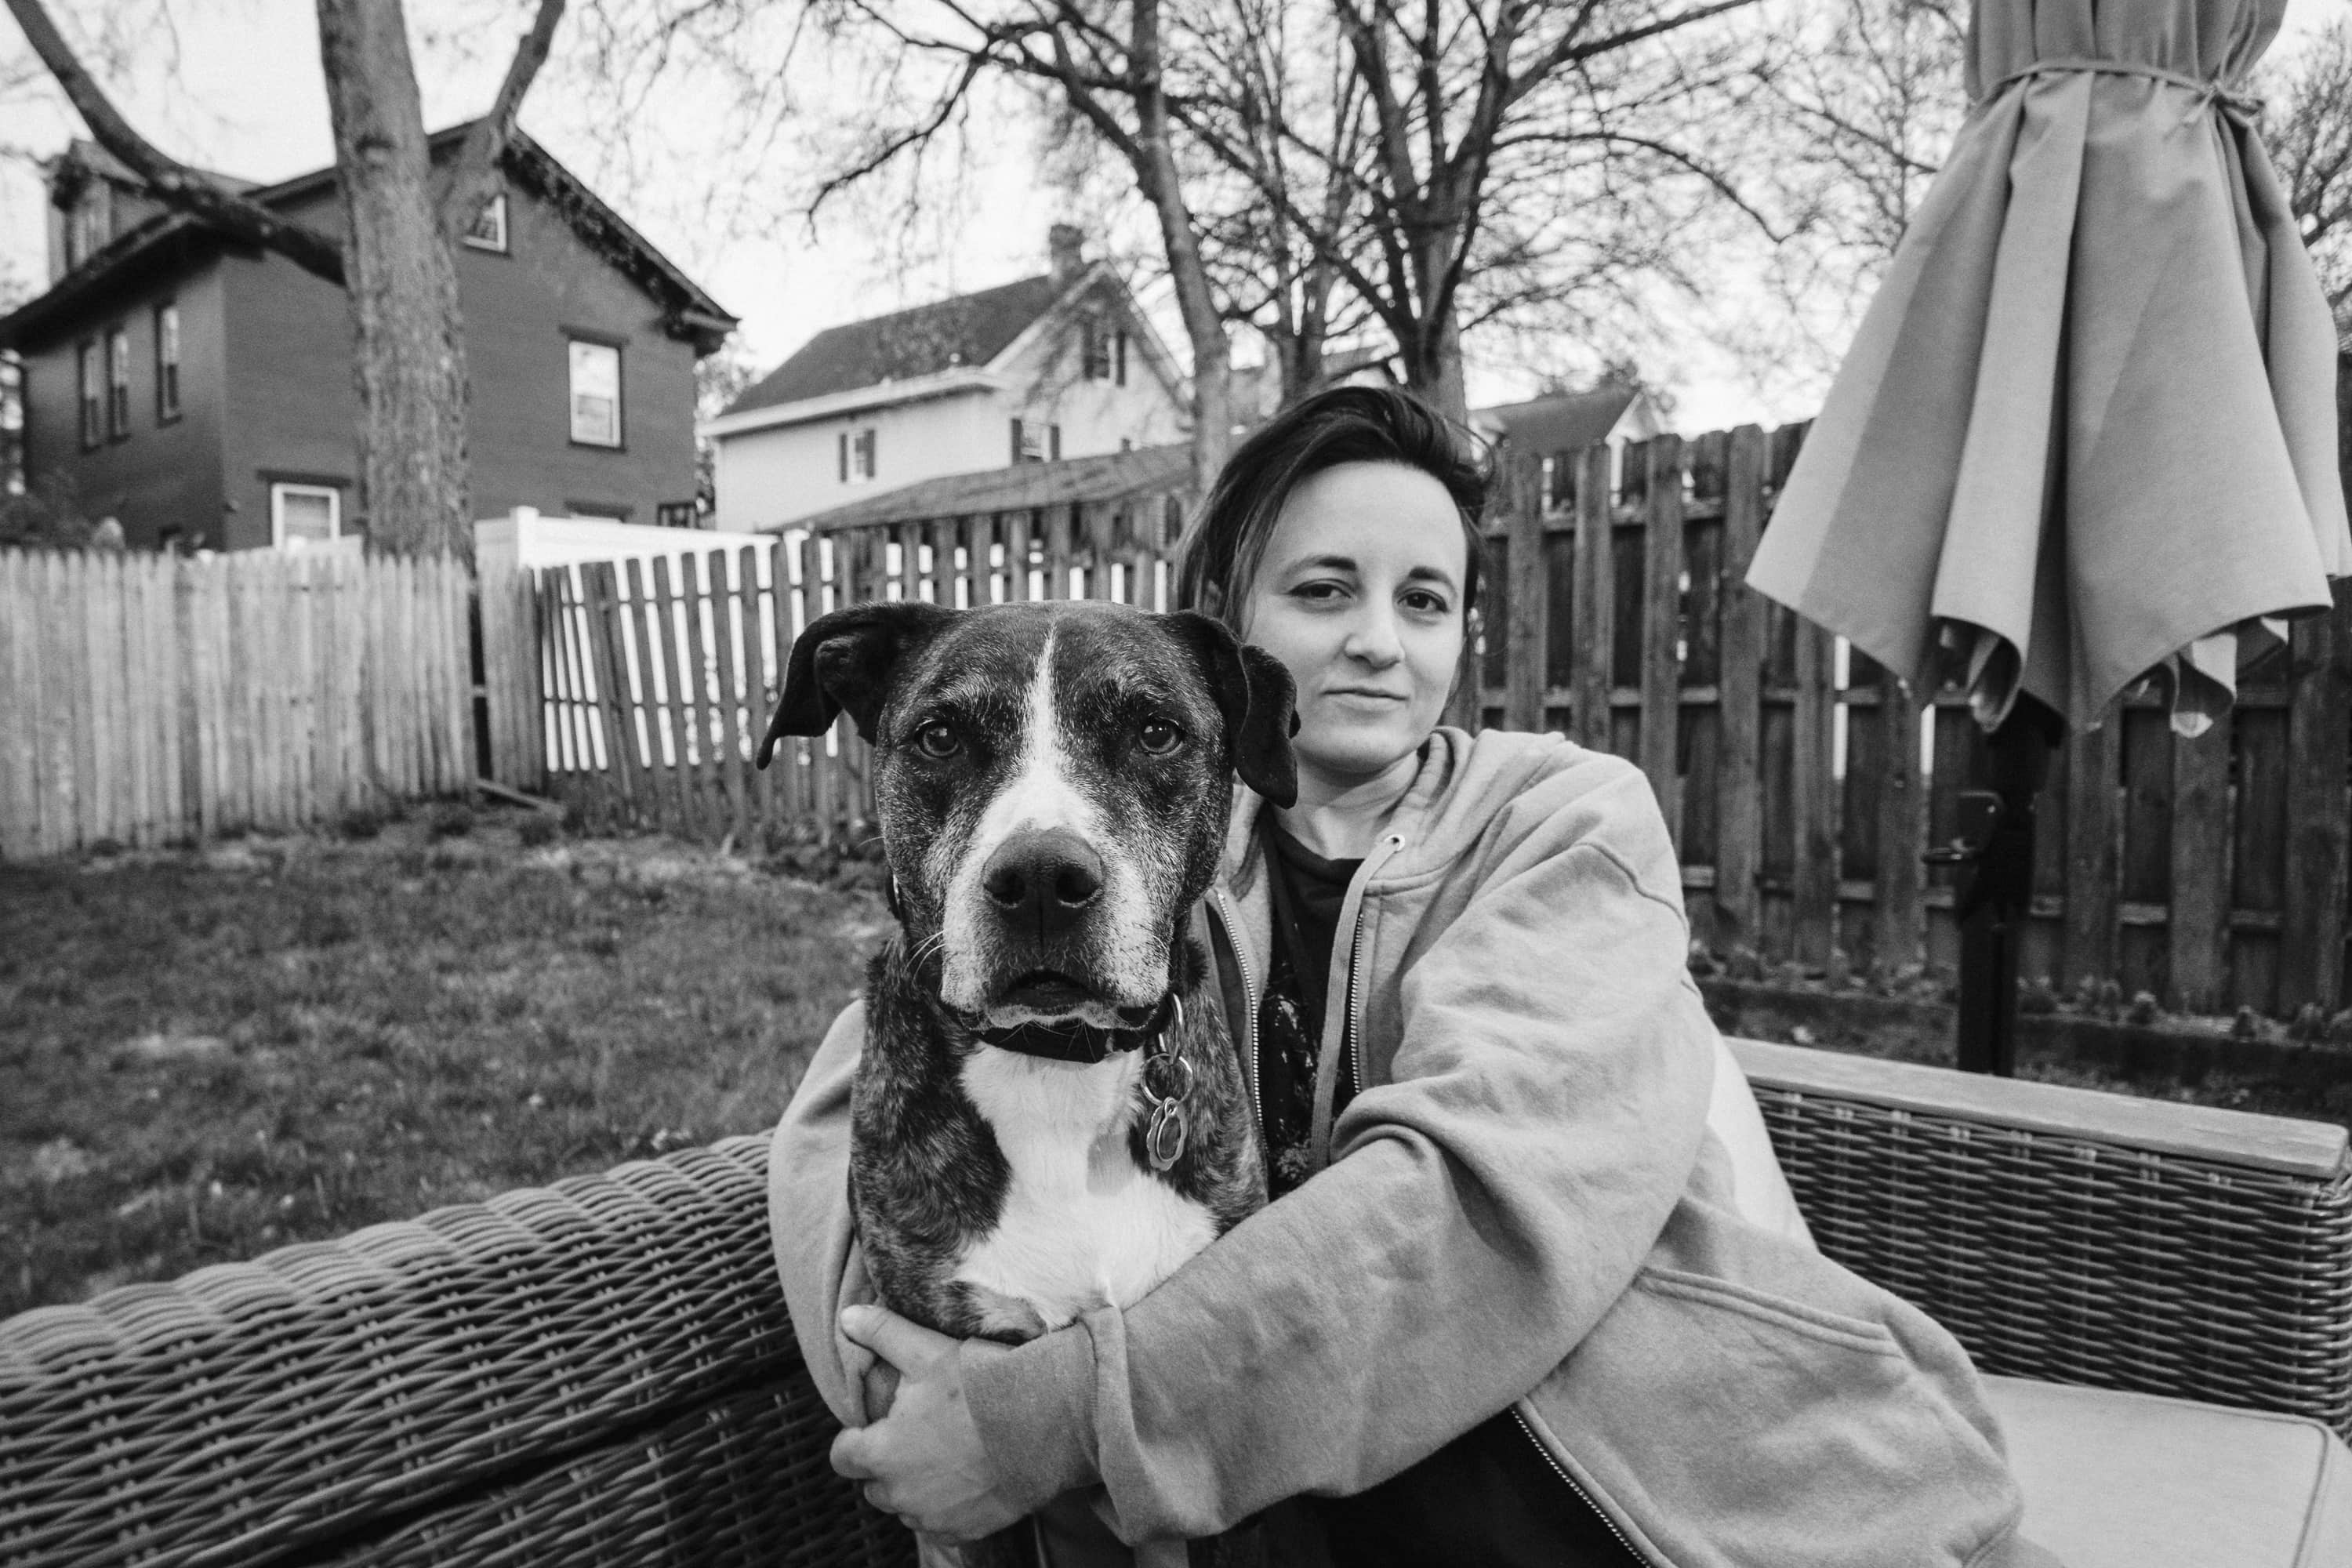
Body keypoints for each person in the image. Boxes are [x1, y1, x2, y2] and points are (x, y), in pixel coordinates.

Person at [770, 386, 2056, 1568]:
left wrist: (1036, 1424)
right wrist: (901, 1384)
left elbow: (1469, 1213)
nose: (1382, 642)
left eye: (1427, 600)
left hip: (1700, 1486)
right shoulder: (1160, 871)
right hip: (1347, 1505)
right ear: (1231, 632)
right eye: (1328, 590)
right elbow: (859, 1108)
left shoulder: (1569, 821)